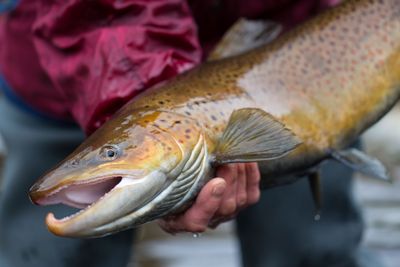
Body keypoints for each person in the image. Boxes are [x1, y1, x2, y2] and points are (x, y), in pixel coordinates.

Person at [0, 1, 381, 267]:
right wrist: (144, 95)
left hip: (302, 67)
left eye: (112, 154)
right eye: (114, 154)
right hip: (78, 64)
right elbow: (108, 12)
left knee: (314, 254)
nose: (112, 157)